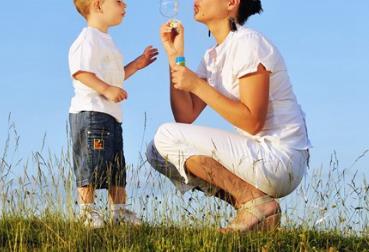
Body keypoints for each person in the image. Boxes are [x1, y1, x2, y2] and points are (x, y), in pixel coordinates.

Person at [146, 0, 311, 232]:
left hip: (280, 159)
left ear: (231, 3)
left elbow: (253, 121)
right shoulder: (213, 56)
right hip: (257, 157)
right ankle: (257, 210)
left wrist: (196, 85)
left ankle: (254, 203)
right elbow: (185, 115)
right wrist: (175, 56)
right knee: (156, 152)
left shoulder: (249, 43)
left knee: (165, 135)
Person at [69, 0, 158, 228]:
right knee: (91, 163)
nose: (124, 4)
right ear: (99, 5)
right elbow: (80, 72)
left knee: (116, 166)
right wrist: (106, 89)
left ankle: (118, 212)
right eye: (118, 1)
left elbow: (114, 77)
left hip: (111, 116)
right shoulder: (88, 38)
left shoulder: (107, 41)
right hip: (91, 114)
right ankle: (87, 211)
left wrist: (137, 64)